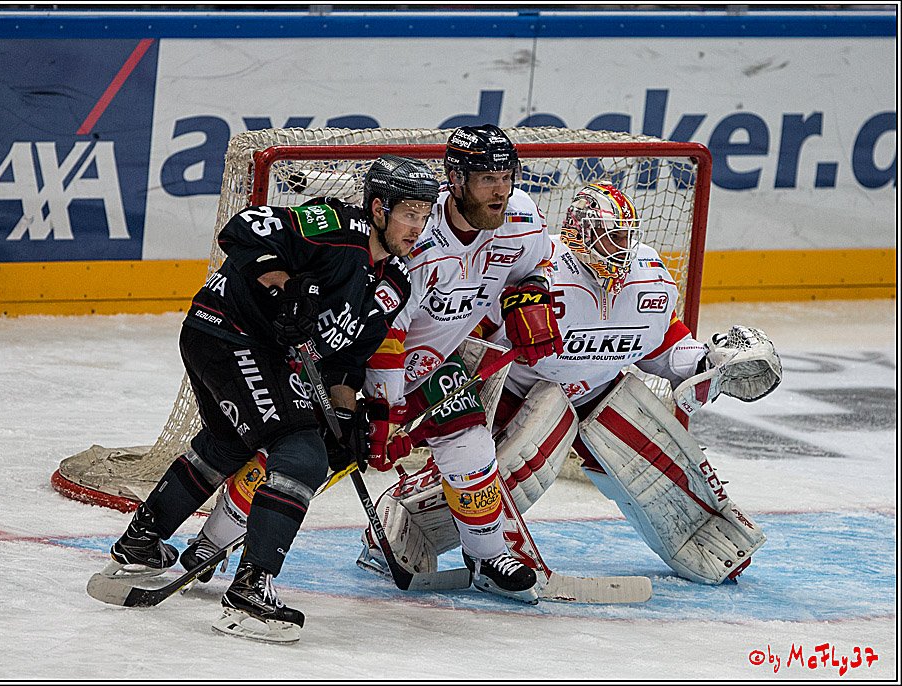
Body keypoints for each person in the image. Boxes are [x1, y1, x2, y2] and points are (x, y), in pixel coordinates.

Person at [367, 183, 783, 586]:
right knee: (509, 472)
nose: (621, 248)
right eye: (610, 236)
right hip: (523, 391)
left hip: (600, 391)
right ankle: (405, 522)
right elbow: (465, 330)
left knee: (662, 469)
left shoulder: (648, 278)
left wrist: (708, 363)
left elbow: (663, 345)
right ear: (580, 233)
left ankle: (699, 540)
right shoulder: (539, 266)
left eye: (626, 236)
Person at [99, 154, 440, 643]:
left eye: (426, 215)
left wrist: (344, 419)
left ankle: (140, 544)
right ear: (379, 208)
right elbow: (246, 230)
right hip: (230, 332)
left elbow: (345, 365)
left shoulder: (393, 285)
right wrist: (283, 289)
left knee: (229, 444)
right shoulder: (335, 226)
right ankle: (249, 592)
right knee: (301, 454)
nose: (418, 226)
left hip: (250, 350)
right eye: (410, 213)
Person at [358, 125, 565, 604]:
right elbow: (386, 335)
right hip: (364, 367)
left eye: (507, 176)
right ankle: (206, 540)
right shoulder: (417, 242)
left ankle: (487, 555)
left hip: (434, 365)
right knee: (299, 454)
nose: (501, 190)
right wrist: (385, 413)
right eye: (487, 178)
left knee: (471, 443)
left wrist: (530, 294)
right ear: (453, 179)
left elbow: (535, 266)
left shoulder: (521, 220)